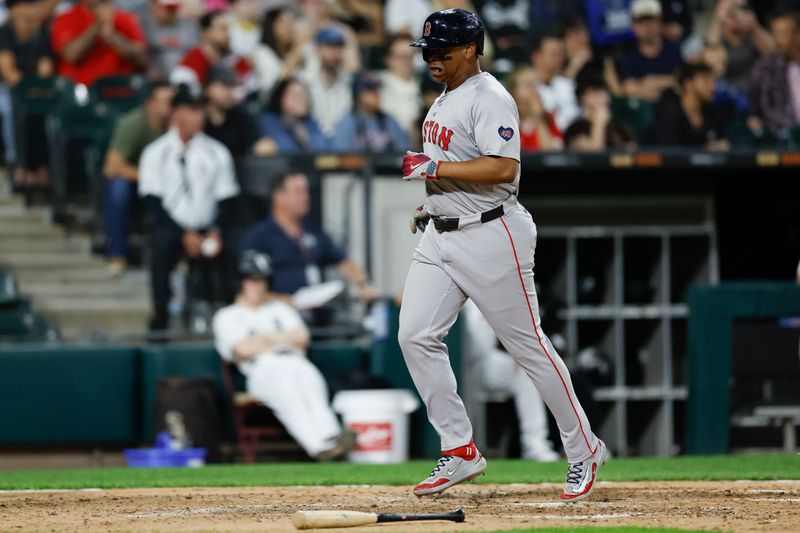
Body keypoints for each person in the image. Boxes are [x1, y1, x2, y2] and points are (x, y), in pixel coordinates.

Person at [399, 8, 605, 501]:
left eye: (442, 51)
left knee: (528, 349)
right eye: (427, 51)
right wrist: (434, 201)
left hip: (492, 234)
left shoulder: (490, 96)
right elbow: (454, 168)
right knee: (414, 335)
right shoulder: (446, 95)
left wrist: (435, 165)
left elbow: (503, 169)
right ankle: (459, 449)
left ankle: (584, 449)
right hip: (442, 234)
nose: (432, 58)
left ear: (470, 48)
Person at [213, 251, 357, 461]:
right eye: (252, 280)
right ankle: (319, 447)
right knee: (288, 392)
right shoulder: (227, 316)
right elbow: (243, 349)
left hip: (295, 361)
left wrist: (262, 339)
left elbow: (302, 337)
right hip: (262, 368)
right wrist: (282, 338)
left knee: (312, 384)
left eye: (262, 280)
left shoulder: (279, 308)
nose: (258, 286)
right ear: (240, 283)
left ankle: (332, 438)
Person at [138, 86, 240, 331]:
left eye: (201, 110)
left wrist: (215, 230)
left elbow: (227, 199)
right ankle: (160, 314)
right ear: (176, 113)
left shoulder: (217, 152)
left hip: (209, 225)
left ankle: (233, 313)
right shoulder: (156, 152)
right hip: (172, 226)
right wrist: (184, 234)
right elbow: (153, 202)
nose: (199, 117)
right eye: (192, 110)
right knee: (161, 243)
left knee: (235, 243)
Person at [238, 172, 376, 303]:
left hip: (318, 310)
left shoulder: (313, 230)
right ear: (278, 196)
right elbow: (245, 285)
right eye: (298, 192)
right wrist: (278, 300)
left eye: (306, 192)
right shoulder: (258, 236)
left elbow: (343, 260)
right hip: (278, 312)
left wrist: (364, 284)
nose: (305, 198)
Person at [462, 300, 560, 462]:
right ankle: (460, 449)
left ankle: (535, 444)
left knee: (525, 371)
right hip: (452, 364)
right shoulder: (447, 282)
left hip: (483, 365)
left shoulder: (488, 289)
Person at [103, 81, 174, 274]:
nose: (171, 106)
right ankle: (117, 254)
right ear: (150, 104)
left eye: (173, 101)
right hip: (138, 184)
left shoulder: (178, 124)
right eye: (166, 101)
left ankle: (179, 254)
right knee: (118, 188)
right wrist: (150, 178)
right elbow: (111, 167)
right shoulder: (133, 124)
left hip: (169, 184)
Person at [0, 0, 53, 186]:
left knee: (42, 109)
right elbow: (8, 71)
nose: (27, 10)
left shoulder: (41, 32)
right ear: (12, 10)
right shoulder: (5, 32)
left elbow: (45, 68)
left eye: (30, 5)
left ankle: (42, 166)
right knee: (10, 107)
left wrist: (35, 88)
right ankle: (18, 164)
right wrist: (27, 89)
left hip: (36, 88)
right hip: (11, 88)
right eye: (22, 5)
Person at [50, 0, 146, 86]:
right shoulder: (66, 18)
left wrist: (112, 37)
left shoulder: (124, 18)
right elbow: (71, 55)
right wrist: (97, 26)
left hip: (118, 89)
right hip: (78, 90)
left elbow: (142, 58)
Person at [652, 62, 733, 149]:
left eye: (713, 81)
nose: (713, 87)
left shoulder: (713, 112)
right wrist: (704, 149)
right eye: (705, 80)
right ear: (688, 84)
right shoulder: (669, 113)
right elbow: (668, 152)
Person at [170, 10, 251, 95]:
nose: (227, 34)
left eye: (228, 29)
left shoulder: (236, 59)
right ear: (205, 32)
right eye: (222, 29)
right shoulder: (190, 64)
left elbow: (250, 86)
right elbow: (183, 97)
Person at [204, 64, 273, 161]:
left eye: (232, 86)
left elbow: (264, 145)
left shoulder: (240, 116)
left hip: (236, 171)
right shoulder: (198, 117)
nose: (229, 92)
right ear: (208, 88)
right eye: (224, 86)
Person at [618, 0, 683, 102]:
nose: (646, 26)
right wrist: (669, 81)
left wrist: (651, 82)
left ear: (660, 22)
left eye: (650, 20)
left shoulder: (673, 49)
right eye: (641, 22)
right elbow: (628, 88)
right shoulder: (629, 57)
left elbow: (682, 79)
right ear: (634, 25)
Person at [748, 11, 800, 139]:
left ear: (798, 36)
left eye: (783, 34)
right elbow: (757, 108)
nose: (778, 40)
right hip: (780, 138)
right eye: (774, 34)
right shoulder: (764, 68)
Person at [331, 71, 411, 153]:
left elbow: (405, 153)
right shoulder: (347, 123)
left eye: (377, 89)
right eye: (371, 90)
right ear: (358, 95)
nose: (377, 94)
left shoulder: (389, 121)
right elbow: (340, 157)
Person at [705, 0, 774, 93]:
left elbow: (776, 55)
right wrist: (717, 21)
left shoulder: (753, 35)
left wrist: (755, 28)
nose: (737, 15)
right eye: (731, 12)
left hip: (758, 93)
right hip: (728, 98)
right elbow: (709, 64)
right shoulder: (716, 38)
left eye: (742, 8)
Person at [300, 26, 353, 139]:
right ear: (318, 49)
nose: (335, 53)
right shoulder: (304, 79)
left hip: (341, 143)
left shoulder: (349, 81)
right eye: (329, 47)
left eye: (338, 47)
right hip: (312, 142)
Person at [258, 78, 329, 153]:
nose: (303, 99)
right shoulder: (270, 121)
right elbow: (284, 149)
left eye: (305, 95)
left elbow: (325, 151)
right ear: (281, 99)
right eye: (296, 95)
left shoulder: (311, 123)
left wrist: (306, 139)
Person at [530, 30, 580, 132]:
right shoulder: (527, 87)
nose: (559, 59)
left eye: (561, 54)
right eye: (554, 54)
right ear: (537, 57)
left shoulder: (568, 85)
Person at [569, 74, 636, 151]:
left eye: (603, 92)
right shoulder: (576, 128)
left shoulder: (622, 128)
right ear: (582, 98)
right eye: (594, 93)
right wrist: (599, 123)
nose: (599, 97)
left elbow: (631, 155)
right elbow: (593, 156)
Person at [250, 7, 304, 98]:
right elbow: (277, 85)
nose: (289, 28)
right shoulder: (259, 52)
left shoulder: (301, 55)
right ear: (271, 26)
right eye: (283, 22)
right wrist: (297, 46)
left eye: (291, 22)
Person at [505, 66, 561, 152]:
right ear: (513, 93)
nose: (534, 90)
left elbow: (551, 156)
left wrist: (538, 118)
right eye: (528, 85)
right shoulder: (505, 122)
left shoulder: (549, 118)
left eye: (536, 85)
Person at [140, 0, 199, 80]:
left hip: (183, 78)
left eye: (174, 9)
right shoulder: (145, 26)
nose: (172, 12)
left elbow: (196, 52)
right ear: (155, 7)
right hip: (156, 79)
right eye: (168, 8)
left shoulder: (188, 26)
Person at [379, 33, 422, 141]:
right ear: (388, 59)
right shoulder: (379, 85)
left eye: (410, 56)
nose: (407, 61)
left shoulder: (422, 86)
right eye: (401, 56)